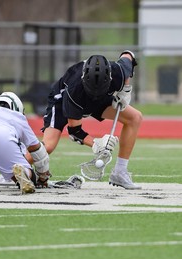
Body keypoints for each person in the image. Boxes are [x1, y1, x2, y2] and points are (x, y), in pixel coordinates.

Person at [36, 50, 142, 190]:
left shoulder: (119, 72)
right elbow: (74, 131)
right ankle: (12, 168)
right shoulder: (74, 90)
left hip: (102, 99)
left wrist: (125, 90)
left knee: (135, 117)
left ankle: (120, 172)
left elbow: (128, 55)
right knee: (48, 145)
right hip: (64, 102)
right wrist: (96, 144)